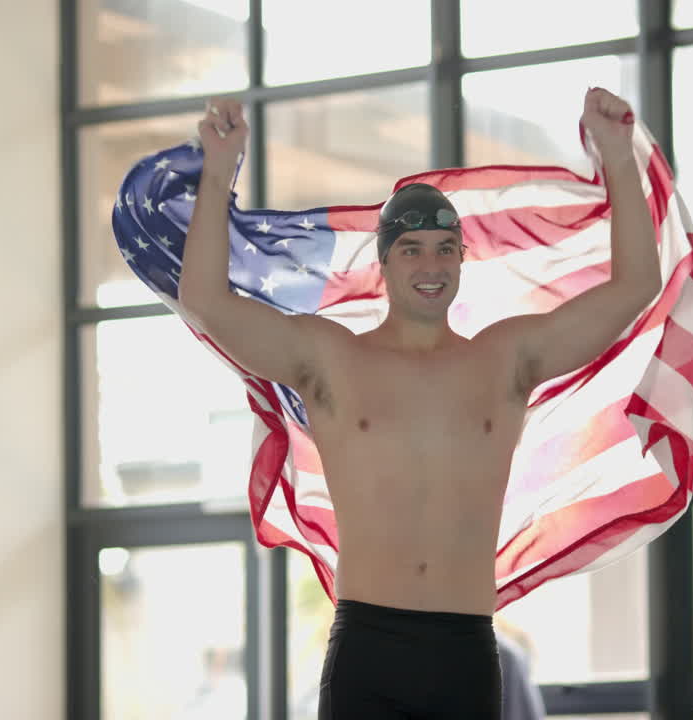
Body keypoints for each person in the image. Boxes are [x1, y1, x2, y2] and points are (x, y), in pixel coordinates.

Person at [179, 86, 659, 720]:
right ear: (384, 263)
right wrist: (218, 172)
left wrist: (618, 157)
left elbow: (636, 288)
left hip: (463, 650)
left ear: (462, 258)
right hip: (369, 649)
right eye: (411, 249)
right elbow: (206, 303)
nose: (429, 265)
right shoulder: (332, 361)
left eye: (443, 249)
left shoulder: (504, 360)